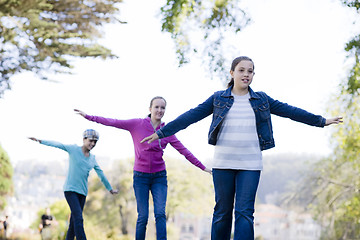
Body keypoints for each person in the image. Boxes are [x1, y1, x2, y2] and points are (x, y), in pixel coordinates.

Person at [141, 56, 343, 240]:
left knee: (245, 213)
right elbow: (191, 116)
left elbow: (291, 111)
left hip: (250, 163)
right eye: (241, 70)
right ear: (232, 73)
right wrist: (161, 132)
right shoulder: (218, 98)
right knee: (222, 212)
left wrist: (321, 121)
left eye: (250, 71)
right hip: (223, 162)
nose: (246, 74)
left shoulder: (261, 99)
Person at [74, 96, 211, 240]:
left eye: (162, 108)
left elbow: (184, 151)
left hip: (159, 177)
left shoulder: (167, 130)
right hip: (141, 177)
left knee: (160, 214)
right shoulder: (137, 124)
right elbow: (113, 122)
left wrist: (203, 167)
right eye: (156, 107)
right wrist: (89, 117)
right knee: (143, 216)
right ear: (150, 109)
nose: (159, 110)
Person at [29, 129, 118, 240]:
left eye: (95, 142)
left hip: (83, 193)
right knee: (79, 218)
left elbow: (101, 175)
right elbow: (58, 145)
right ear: (84, 139)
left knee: (73, 222)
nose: (93, 144)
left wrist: (110, 189)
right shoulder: (74, 149)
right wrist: (40, 141)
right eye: (91, 141)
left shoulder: (92, 159)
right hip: (70, 190)